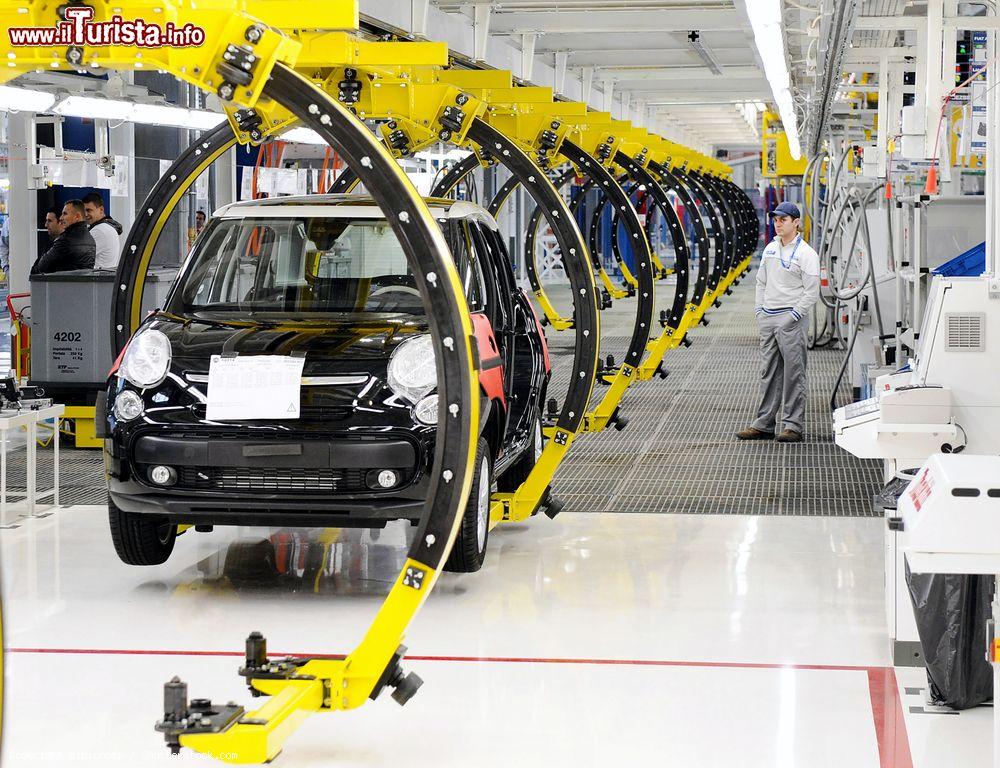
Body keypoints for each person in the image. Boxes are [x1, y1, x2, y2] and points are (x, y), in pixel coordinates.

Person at [736, 201, 820, 443]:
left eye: (783, 219)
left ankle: (792, 426)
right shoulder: (770, 249)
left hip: (791, 318)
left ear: (796, 223)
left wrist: (794, 316)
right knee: (768, 372)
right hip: (769, 317)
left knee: (794, 373)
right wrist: (759, 310)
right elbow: (761, 281)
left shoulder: (806, 254)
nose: (778, 223)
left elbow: (811, 292)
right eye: (776, 219)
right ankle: (763, 424)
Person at [30, 199, 96, 275]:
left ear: (77, 216)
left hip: (62, 286)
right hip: (84, 286)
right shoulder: (91, 240)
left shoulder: (65, 241)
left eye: (65, 214)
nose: (61, 218)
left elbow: (41, 267)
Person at [82, 191, 123, 270]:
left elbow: (78, 258)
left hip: (95, 279)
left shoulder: (100, 231)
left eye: (89, 210)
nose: (85, 214)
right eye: (84, 211)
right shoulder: (105, 227)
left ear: (101, 210)